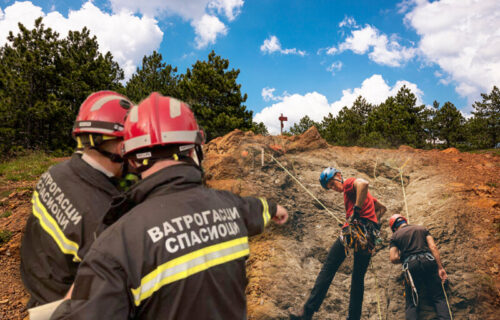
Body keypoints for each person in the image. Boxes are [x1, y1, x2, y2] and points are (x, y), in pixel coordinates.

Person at [50, 93, 289, 320]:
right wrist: (274, 208)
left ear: (132, 160)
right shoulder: (229, 206)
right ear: (194, 150)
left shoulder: (115, 246)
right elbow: (251, 209)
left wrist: (80, 291)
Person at [20, 91, 133, 307]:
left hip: (40, 293)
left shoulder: (55, 173)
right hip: (66, 308)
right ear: (122, 146)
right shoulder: (105, 216)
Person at [291, 167, 387, 320]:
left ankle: (307, 312)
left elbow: (364, 183)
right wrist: (372, 221)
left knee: (329, 266)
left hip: (355, 231)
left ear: (338, 175)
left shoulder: (349, 183)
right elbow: (382, 208)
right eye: (330, 187)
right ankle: (353, 318)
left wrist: (356, 211)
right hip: (368, 238)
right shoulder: (364, 197)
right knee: (358, 278)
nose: (333, 188)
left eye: (331, 183)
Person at [389, 214, 450, 320]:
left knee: (411, 303)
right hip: (428, 261)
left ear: (394, 228)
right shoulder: (422, 229)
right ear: (405, 221)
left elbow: (393, 258)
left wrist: (405, 258)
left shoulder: (395, 236)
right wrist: (440, 268)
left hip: (411, 266)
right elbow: (433, 247)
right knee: (438, 298)